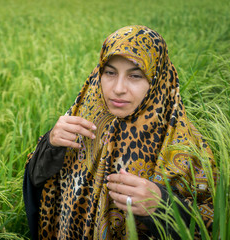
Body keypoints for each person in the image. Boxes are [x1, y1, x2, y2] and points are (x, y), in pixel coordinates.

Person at [23, 25, 216, 239]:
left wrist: (163, 205)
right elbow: (39, 182)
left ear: (158, 79)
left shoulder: (182, 144)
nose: (118, 88)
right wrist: (50, 145)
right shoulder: (82, 120)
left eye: (135, 76)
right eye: (110, 73)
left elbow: (215, 224)